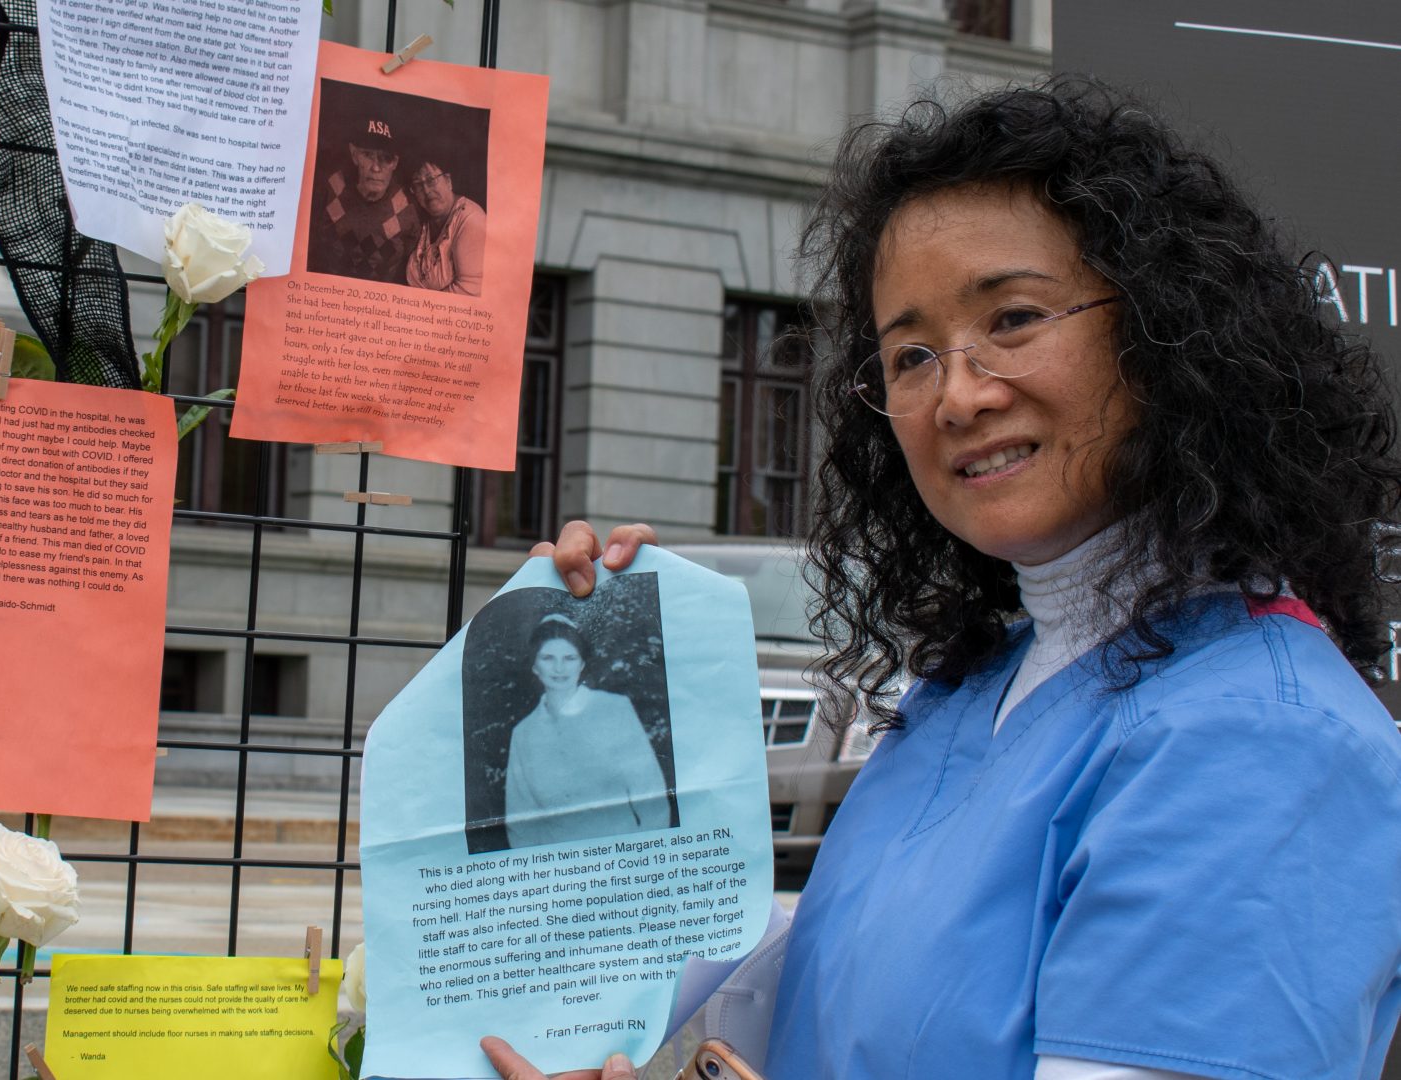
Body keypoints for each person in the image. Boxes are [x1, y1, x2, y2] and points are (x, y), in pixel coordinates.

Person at [482, 78, 1401, 1080]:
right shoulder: (970, 690)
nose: (957, 394)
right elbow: (816, 1001)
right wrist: (595, 698)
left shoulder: (1263, 743)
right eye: (910, 354)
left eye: (1012, 318)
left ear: (1169, 331)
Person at [501, 614, 670, 849]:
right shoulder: (523, 734)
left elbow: (651, 796)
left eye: (569, 658)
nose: (559, 668)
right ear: (535, 666)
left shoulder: (615, 710)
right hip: (558, 873)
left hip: (624, 864)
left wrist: (646, 864)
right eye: (548, 658)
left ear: (581, 664)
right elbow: (520, 822)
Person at [306, 115, 419, 283]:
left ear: (395, 163)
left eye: (385, 158)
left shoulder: (408, 208)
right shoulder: (331, 188)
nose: (375, 167)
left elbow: (411, 269)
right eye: (367, 155)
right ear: (354, 155)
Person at [405, 158, 487, 296]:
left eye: (431, 180)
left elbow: (470, 289)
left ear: (448, 181)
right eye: (418, 185)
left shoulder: (470, 218)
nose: (426, 190)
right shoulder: (424, 221)